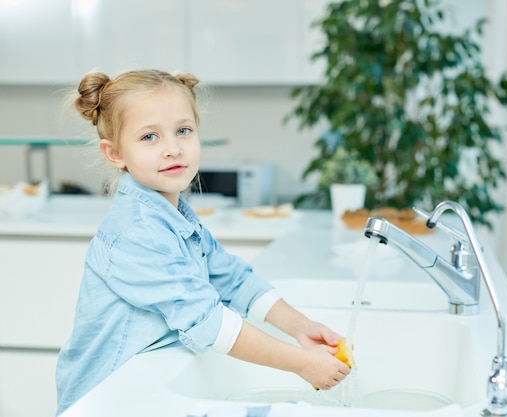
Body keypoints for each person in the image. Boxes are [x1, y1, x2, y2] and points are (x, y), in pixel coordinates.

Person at [55, 69, 350, 415]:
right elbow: (207, 321)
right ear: (115, 153)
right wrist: (301, 363)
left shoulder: (172, 214)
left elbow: (233, 279)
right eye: (149, 137)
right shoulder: (137, 232)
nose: (173, 148)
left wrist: (302, 327)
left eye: (183, 130)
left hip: (146, 382)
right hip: (105, 398)